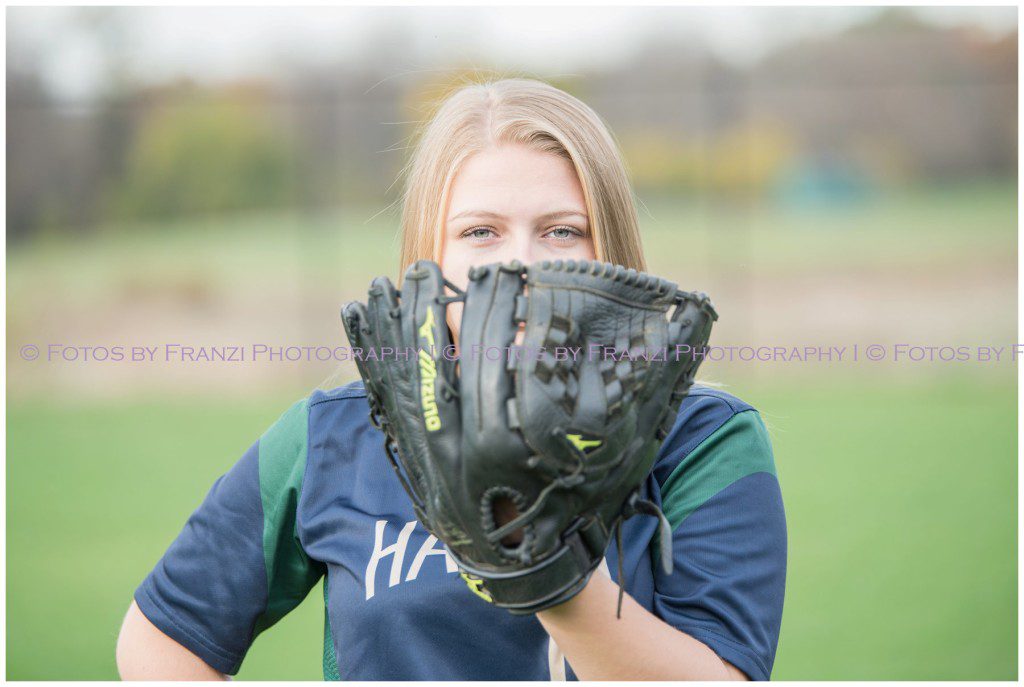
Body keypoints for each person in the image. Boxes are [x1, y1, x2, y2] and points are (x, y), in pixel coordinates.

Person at [116, 77, 787, 681]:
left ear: (609, 248)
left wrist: (551, 576)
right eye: (481, 232)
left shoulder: (703, 437)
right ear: (430, 258)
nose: (520, 264)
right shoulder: (337, 430)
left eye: (561, 230)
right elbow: (158, 639)